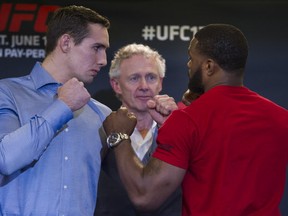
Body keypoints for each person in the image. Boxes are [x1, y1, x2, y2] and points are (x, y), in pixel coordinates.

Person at [102, 24, 288, 216]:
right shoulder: (282, 118)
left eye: (192, 58)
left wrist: (120, 135)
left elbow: (145, 197)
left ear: (208, 66)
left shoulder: (187, 119)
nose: (188, 65)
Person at [0, 5, 111, 215]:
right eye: (96, 47)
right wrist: (62, 106)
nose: (103, 60)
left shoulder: (102, 114)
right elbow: (5, 158)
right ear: (66, 43)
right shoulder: (7, 93)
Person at [94, 43, 182, 216]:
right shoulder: (98, 131)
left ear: (161, 82)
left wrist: (177, 128)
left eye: (151, 77)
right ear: (116, 85)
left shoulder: (180, 130)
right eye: (134, 78)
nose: (144, 86)